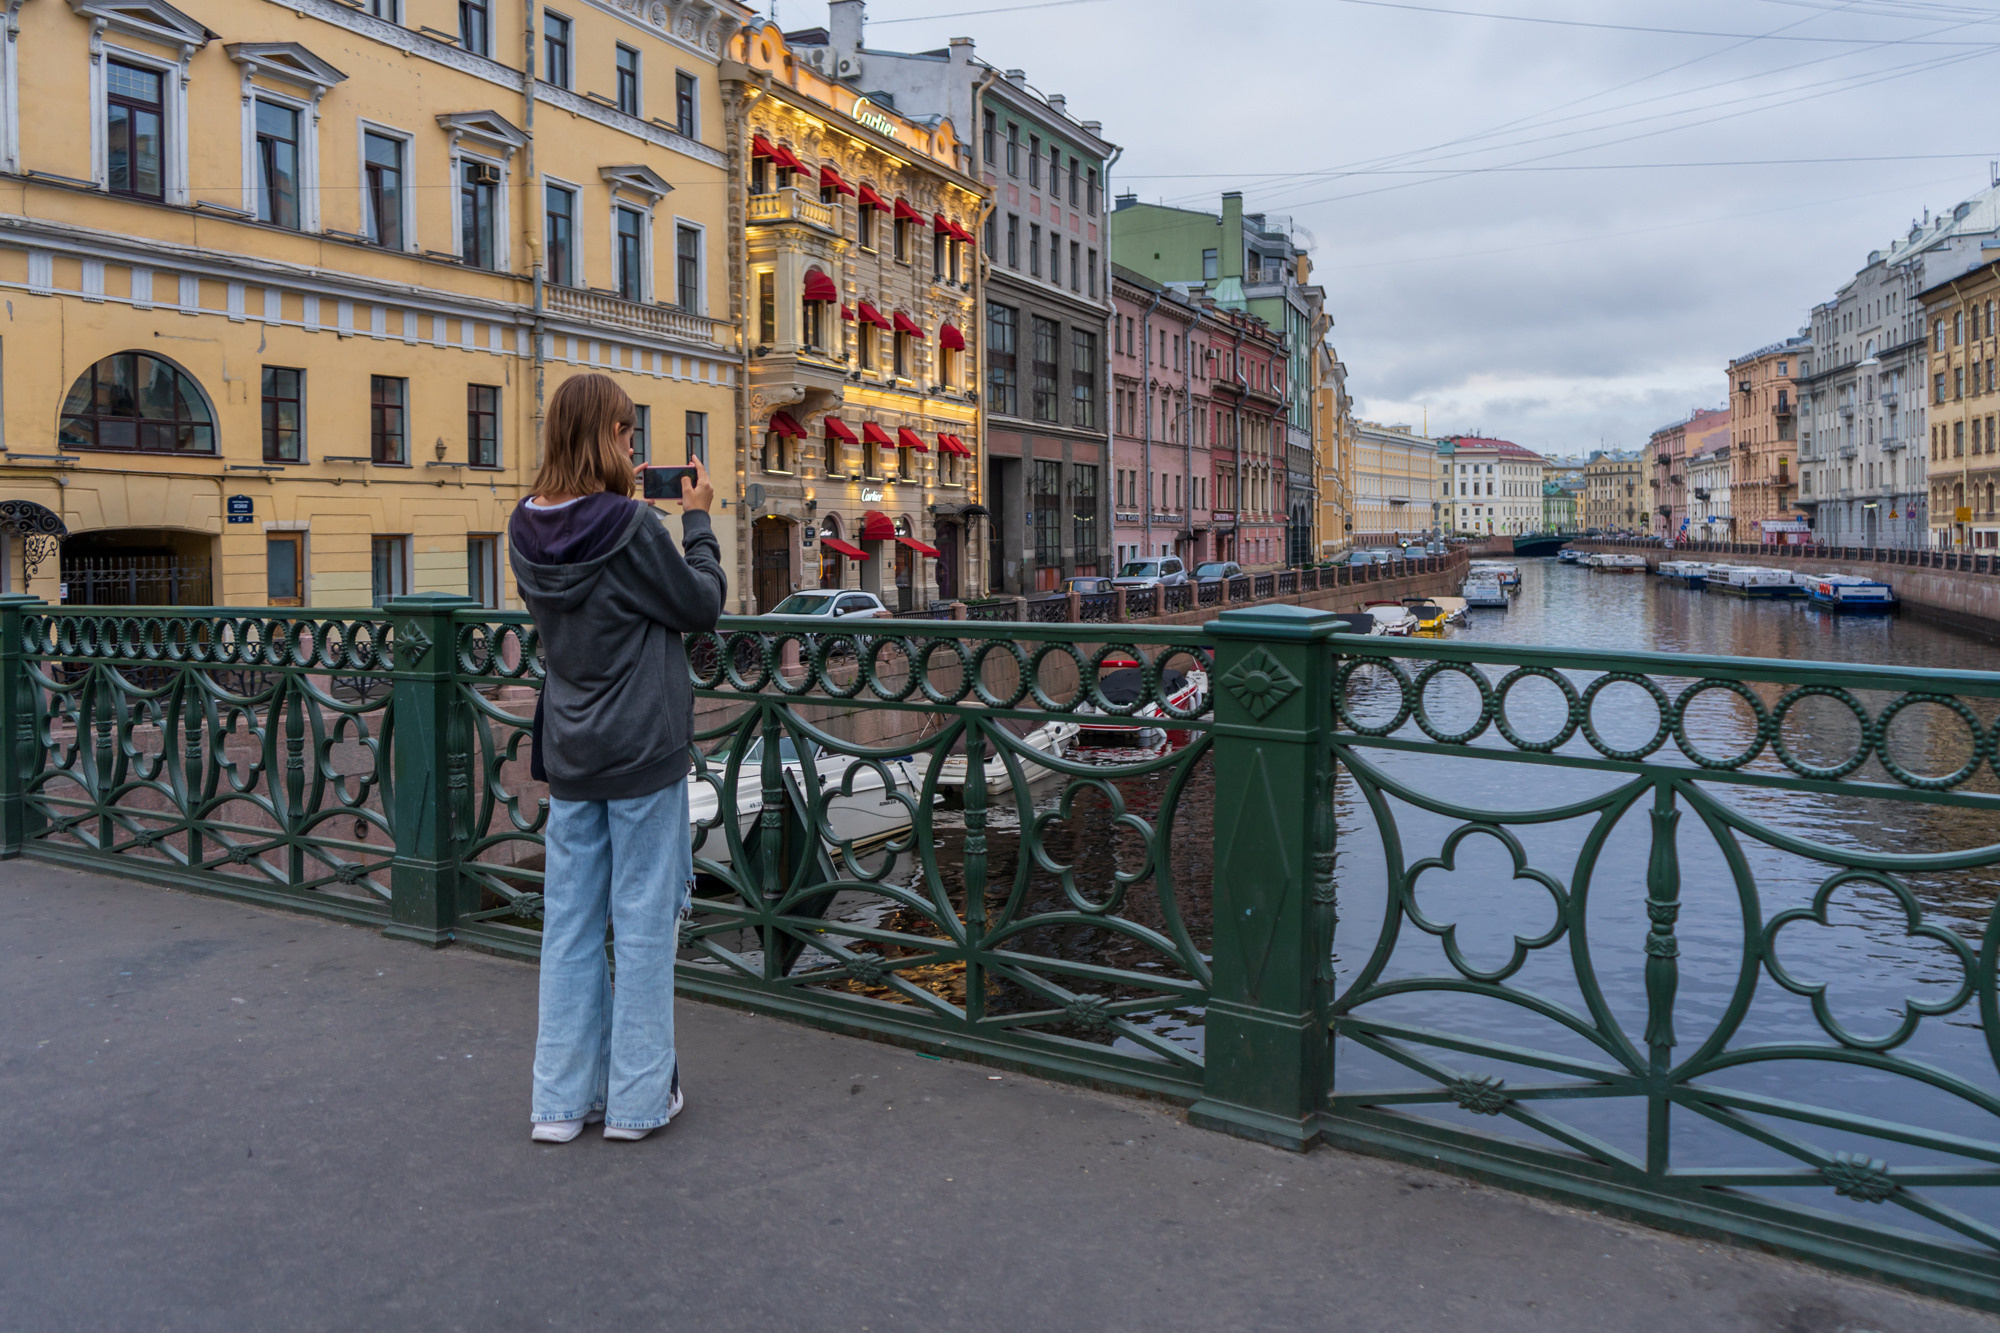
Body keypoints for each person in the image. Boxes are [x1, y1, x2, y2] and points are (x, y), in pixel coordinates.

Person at [507, 372, 725, 1143]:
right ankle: (635, 1103)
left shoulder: (522, 525)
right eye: (628, 432)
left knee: (567, 924)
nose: (636, 446)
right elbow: (699, 604)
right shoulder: (632, 528)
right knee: (640, 922)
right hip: (641, 747)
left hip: (570, 749)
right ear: (604, 436)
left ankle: (559, 1105)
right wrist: (695, 522)